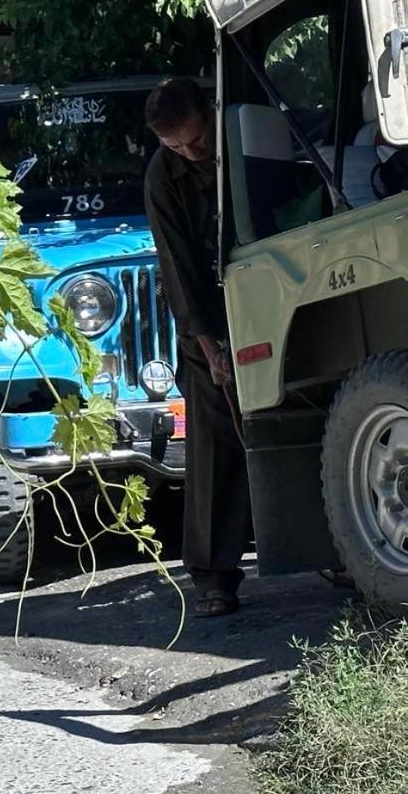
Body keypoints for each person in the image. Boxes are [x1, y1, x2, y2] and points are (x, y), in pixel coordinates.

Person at [143, 77, 252, 618]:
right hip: (203, 316)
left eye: (196, 143)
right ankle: (213, 576)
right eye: (177, 148)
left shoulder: (245, 131)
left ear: (211, 114)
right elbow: (176, 267)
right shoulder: (162, 177)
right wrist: (210, 350)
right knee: (211, 441)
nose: (191, 154)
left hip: (266, 287)